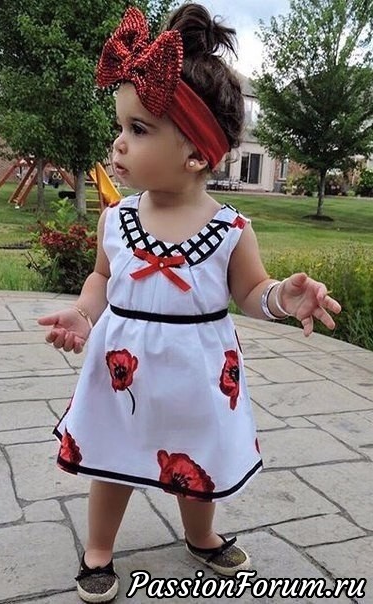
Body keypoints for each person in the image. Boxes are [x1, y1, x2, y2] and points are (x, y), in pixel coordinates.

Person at [38, 5, 342, 602]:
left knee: (195, 460)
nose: (118, 142)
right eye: (121, 126)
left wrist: (283, 296)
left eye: (139, 129)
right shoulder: (116, 220)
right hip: (122, 368)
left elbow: (251, 293)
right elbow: (102, 277)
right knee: (112, 456)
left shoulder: (230, 230)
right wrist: (84, 312)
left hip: (198, 373)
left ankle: (200, 536)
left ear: (197, 154)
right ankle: (99, 548)